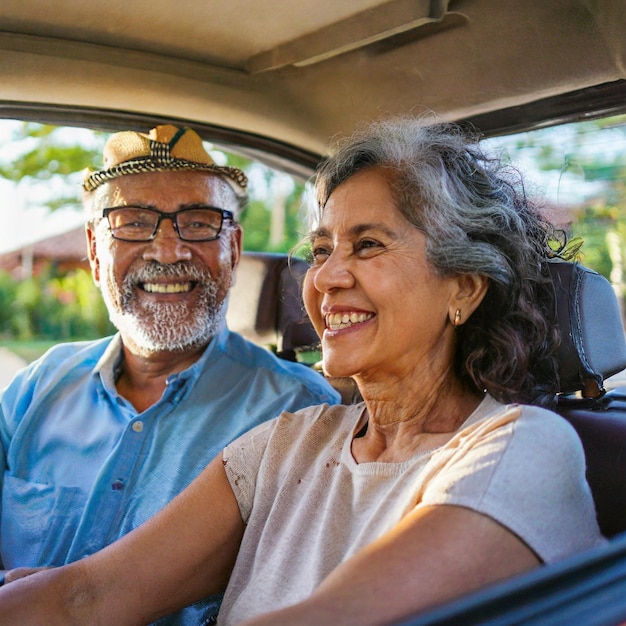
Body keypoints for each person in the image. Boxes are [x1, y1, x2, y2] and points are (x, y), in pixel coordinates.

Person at [0, 116, 605, 626]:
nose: (326, 278)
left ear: (464, 288)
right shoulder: (291, 443)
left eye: (367, 245)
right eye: (321, 251)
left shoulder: (523, 447)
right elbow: (87, 595)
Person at [0, 125, 340, 624]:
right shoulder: (37, 387)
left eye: (199, 223)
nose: (168, 251)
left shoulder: (299, 413)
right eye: (133, 223)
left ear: (234, 248)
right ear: (95, 252)